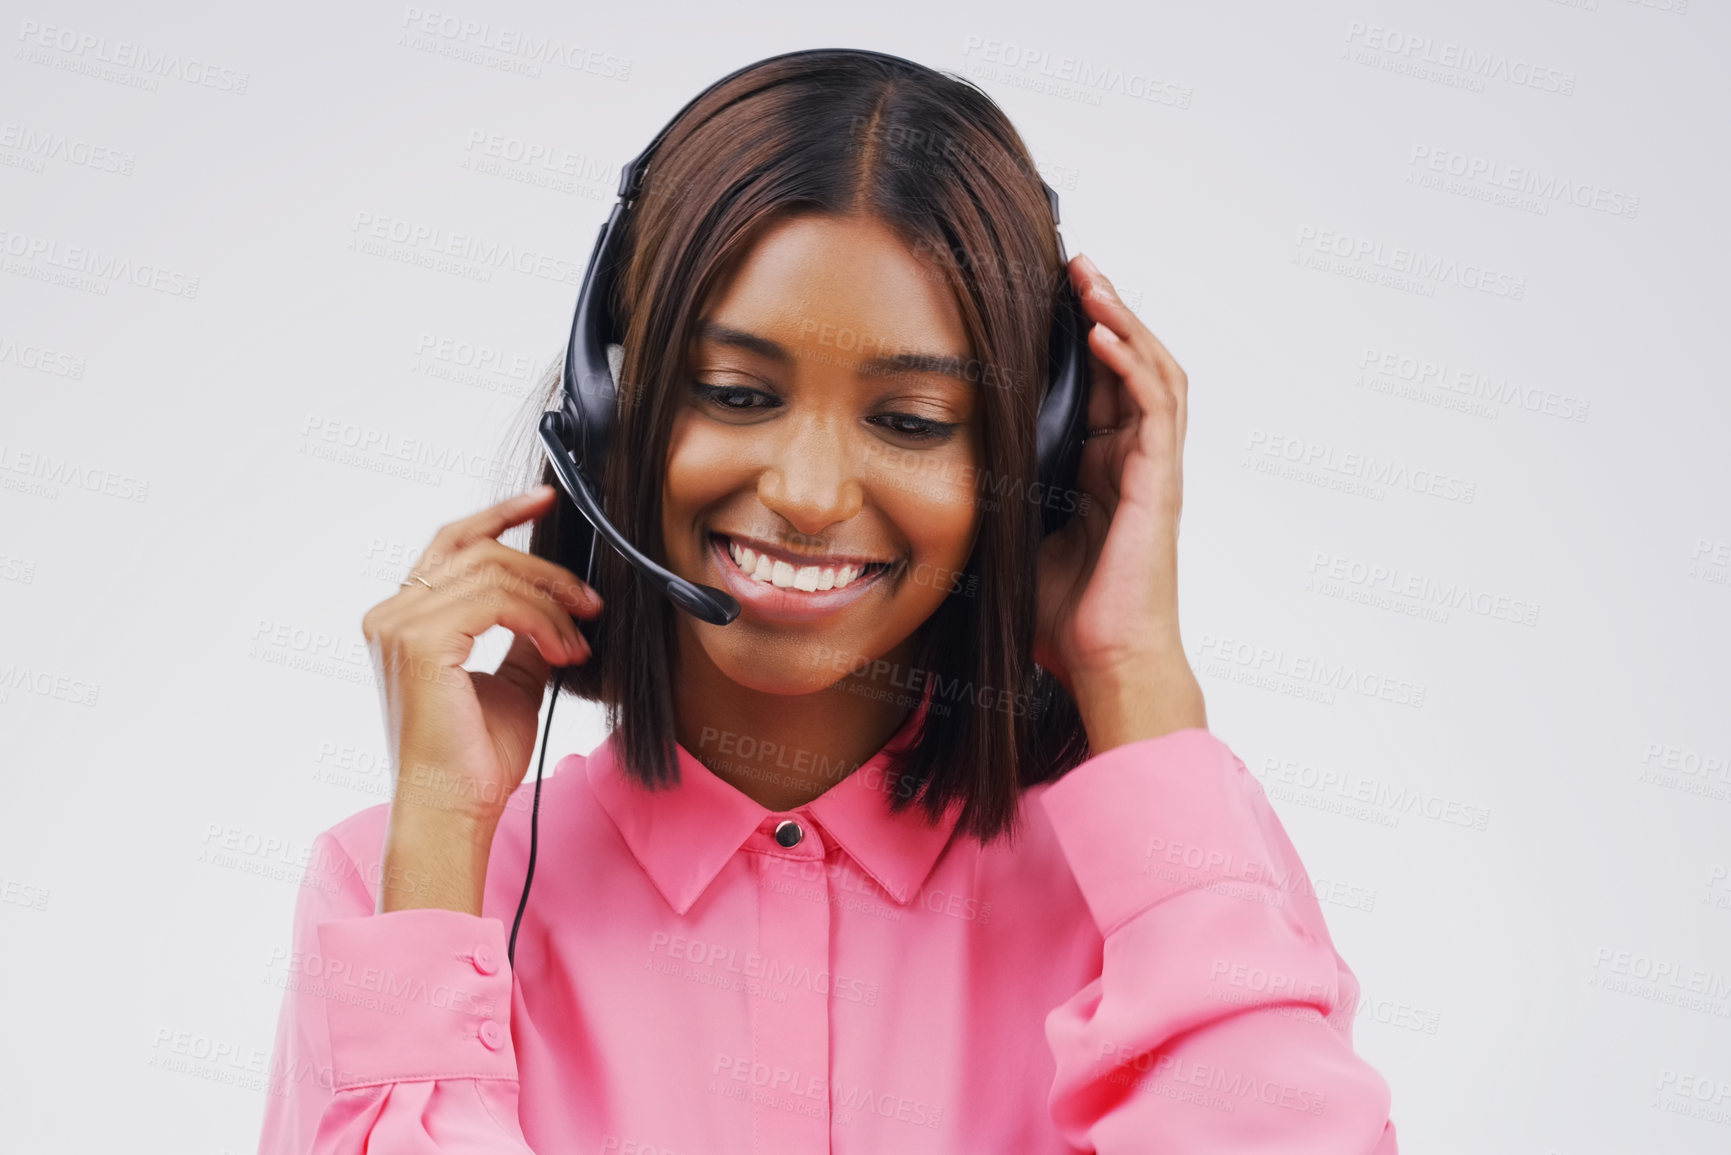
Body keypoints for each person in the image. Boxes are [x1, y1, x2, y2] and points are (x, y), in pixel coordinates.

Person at [257, 50, 1399, 1153]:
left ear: (1028, 456)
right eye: (736, 392)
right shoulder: (405, 887)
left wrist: (1134, 673)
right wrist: (443, 838)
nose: (806, 496)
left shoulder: (1166, 884)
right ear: (612, 407)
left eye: (909, 421)